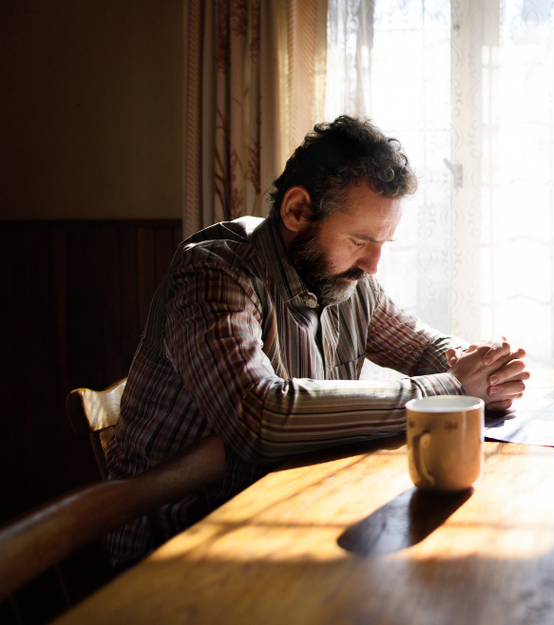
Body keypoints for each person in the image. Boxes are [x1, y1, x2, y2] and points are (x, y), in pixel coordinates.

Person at [106, 116, 529, 570]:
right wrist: (451, 389)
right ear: (297, 211)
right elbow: (259, 414)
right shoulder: (213, 273)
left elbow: (424, 347)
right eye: (361, 240)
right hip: (178, 550)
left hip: (286, 516)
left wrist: (474, 363)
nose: (373, 264)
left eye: (383, 242)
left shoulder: (346, 277)